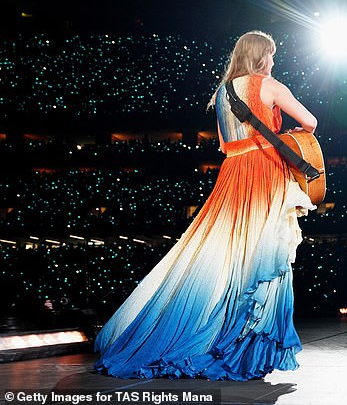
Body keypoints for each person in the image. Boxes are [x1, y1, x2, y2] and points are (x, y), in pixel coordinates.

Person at [94, 30, 317, 381]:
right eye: (271, 55)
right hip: (263, 173)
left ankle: (196, 333)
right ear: (260, 56)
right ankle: (243, 344)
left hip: (232, 174)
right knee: (263, 254)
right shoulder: (269, 85)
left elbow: (226, 144)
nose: (274, 61)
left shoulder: (223, 92)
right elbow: (310, 122)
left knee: (224, 256)